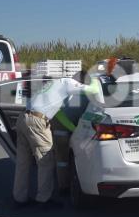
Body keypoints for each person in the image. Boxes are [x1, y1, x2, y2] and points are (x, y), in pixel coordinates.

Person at [13, 72, 99, 209]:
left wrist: (73, 128)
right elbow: (92, 89)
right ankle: (43, 201)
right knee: (45, 161)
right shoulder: (68, 83)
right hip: (37, 121)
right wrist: (96, 79)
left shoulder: (54, 84)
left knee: (23, 163)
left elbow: (58, 114)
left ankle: (19, 198)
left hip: (23, 118)